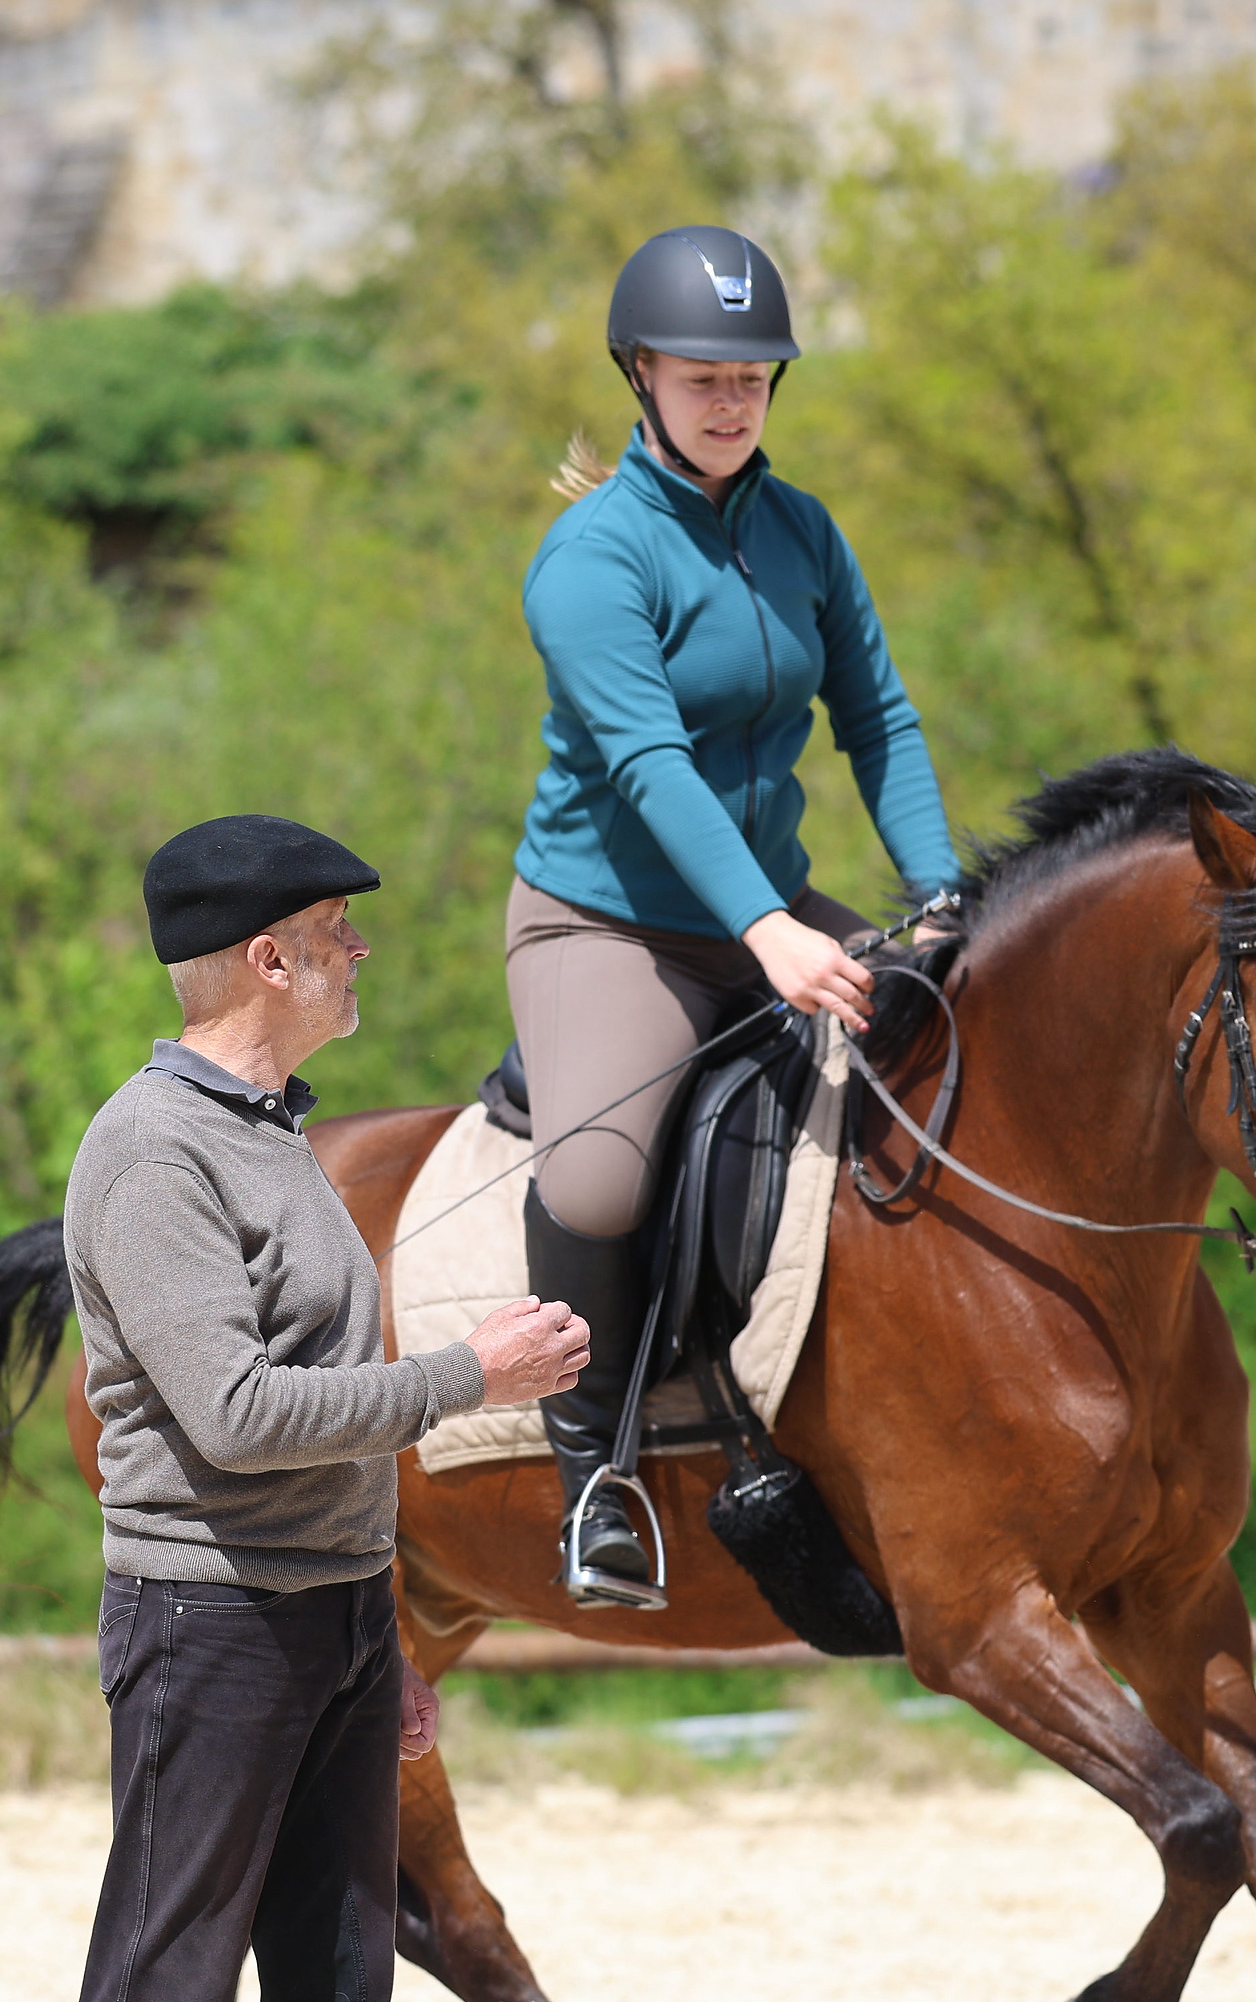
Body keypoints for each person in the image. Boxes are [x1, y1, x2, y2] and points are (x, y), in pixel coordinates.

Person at [23, 813, 593, 2002]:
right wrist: (471, 1378)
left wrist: (381, 1621)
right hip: (208, 1625)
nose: (360, 955)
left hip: (333, 1618)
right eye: (338, 932)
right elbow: (237, 1412)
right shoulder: (153, 1154)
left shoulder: (273, 1138)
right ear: (267, 958)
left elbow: (320, 1419)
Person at [511, 223, 965, 1608]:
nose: (730, 401)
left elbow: (878, 718)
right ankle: (596, 1477)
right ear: (640, 375)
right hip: (613, 926)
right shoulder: (590, 561)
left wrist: (940, 892)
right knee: (599, 1184)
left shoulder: (802, 532)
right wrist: (771, 934)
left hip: (777, 905)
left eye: (752, 378)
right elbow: (650, 766)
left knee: (964, 1051)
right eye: (703, 377)